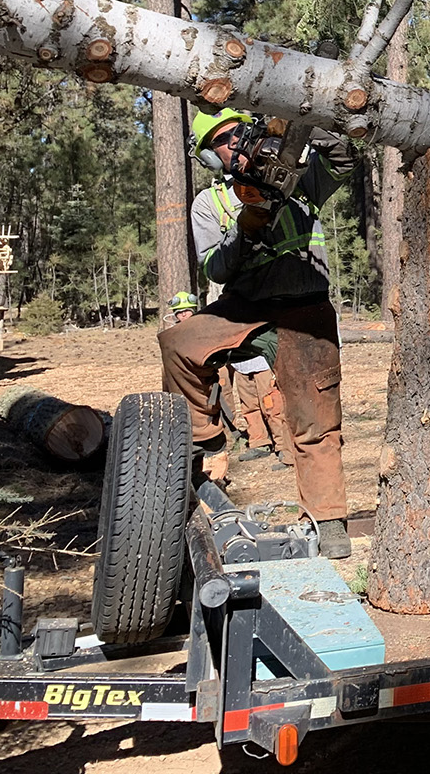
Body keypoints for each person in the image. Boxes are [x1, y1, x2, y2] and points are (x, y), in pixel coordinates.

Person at [158, 108, 357, 557]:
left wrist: (295, 128)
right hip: (244, 306)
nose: (233, 144)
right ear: (210, 157)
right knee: (179, 343)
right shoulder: (210, 204)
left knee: (314, 417)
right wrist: (246, 225)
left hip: (305, 307)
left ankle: (328, 519)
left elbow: (344, 159)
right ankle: (201, 441)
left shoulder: (300, 177)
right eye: (221, 142)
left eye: (237, 134)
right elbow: (214, 266)